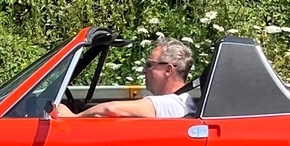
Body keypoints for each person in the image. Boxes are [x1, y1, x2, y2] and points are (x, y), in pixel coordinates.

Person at [53, 40, 195, 118]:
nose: (144, 70)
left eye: (149, 65)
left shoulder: (173, 104)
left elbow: (111, 109)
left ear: (168, 70)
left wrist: (74, 117)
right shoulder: (181, 102)